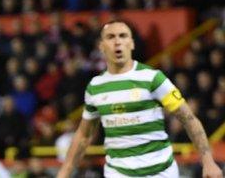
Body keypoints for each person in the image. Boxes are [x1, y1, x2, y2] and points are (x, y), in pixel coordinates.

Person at [57, 20, 223, 177]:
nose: (117, 42)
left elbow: (188, 119)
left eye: (123, 36)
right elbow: (84, 135)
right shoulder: (95, 87)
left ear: (132, 44)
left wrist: (208, 161)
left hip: (160, 173)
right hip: (118, 174)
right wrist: (64, 173)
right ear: (101, 46)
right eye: (110, 37)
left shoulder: (153, 78)